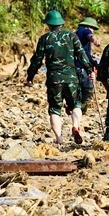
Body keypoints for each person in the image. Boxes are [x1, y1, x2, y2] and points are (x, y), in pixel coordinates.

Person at [26, 10, 94, 145]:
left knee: (55, 108)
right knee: (76, 104)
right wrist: (89, 69)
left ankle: (59, 138)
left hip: (54, 79)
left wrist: (30, 76)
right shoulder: (72, 36)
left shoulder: (45, 38)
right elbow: (81, 55)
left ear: (48, 24)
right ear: (61, 23)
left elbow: (37, 60)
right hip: (71, 78)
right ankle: (75, 125)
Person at [75, 17, 100, 111]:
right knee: (88, 90)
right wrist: (95, 41)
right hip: (82, 67)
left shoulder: (76, 33)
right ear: (89, 27)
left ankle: (75, 106)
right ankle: (79, 108)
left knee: (78, 90)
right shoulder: (84, 31)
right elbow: (90, 36)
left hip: (75, 66)